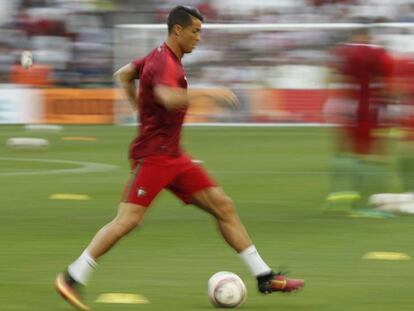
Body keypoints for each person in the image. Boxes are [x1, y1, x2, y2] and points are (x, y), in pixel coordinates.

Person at [54, 6, 304, 310]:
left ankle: (265, 277)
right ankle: (71, 278)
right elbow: (169, 98)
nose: (199, 38)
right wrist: (209, 94)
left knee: (223, 206)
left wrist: (139, 111)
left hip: (174, 157)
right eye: (195, 31)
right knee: (128, 220)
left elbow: (123, 75)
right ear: (177, 30)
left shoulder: (157, 57)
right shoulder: (165, 63)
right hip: (155, 157)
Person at [324, 26, 394, 215]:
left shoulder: (342, 52)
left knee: (342, 151)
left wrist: (334, 103)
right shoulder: (378, 54)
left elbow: (333, 76)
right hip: (370, 110)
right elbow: (387, 83)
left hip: (347, 109)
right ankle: (365, 202)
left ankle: (335, 197)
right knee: (373, 155)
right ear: (367, 36)